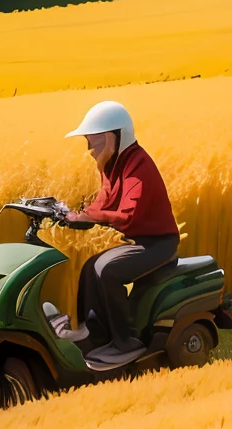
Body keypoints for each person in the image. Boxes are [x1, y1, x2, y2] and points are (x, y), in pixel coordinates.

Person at [64, 100, 179, 365]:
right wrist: (75, 215)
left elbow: (128, 216)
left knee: (108, 270)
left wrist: (89, 216)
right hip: (139, 242)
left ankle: (126, 342)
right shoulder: (112, 165)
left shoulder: (138, 165)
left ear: (114, 137)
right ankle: (95, 335)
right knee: (90, 266)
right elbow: (102, 203)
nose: (90, 149)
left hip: (159, 244)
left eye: (95, 141)